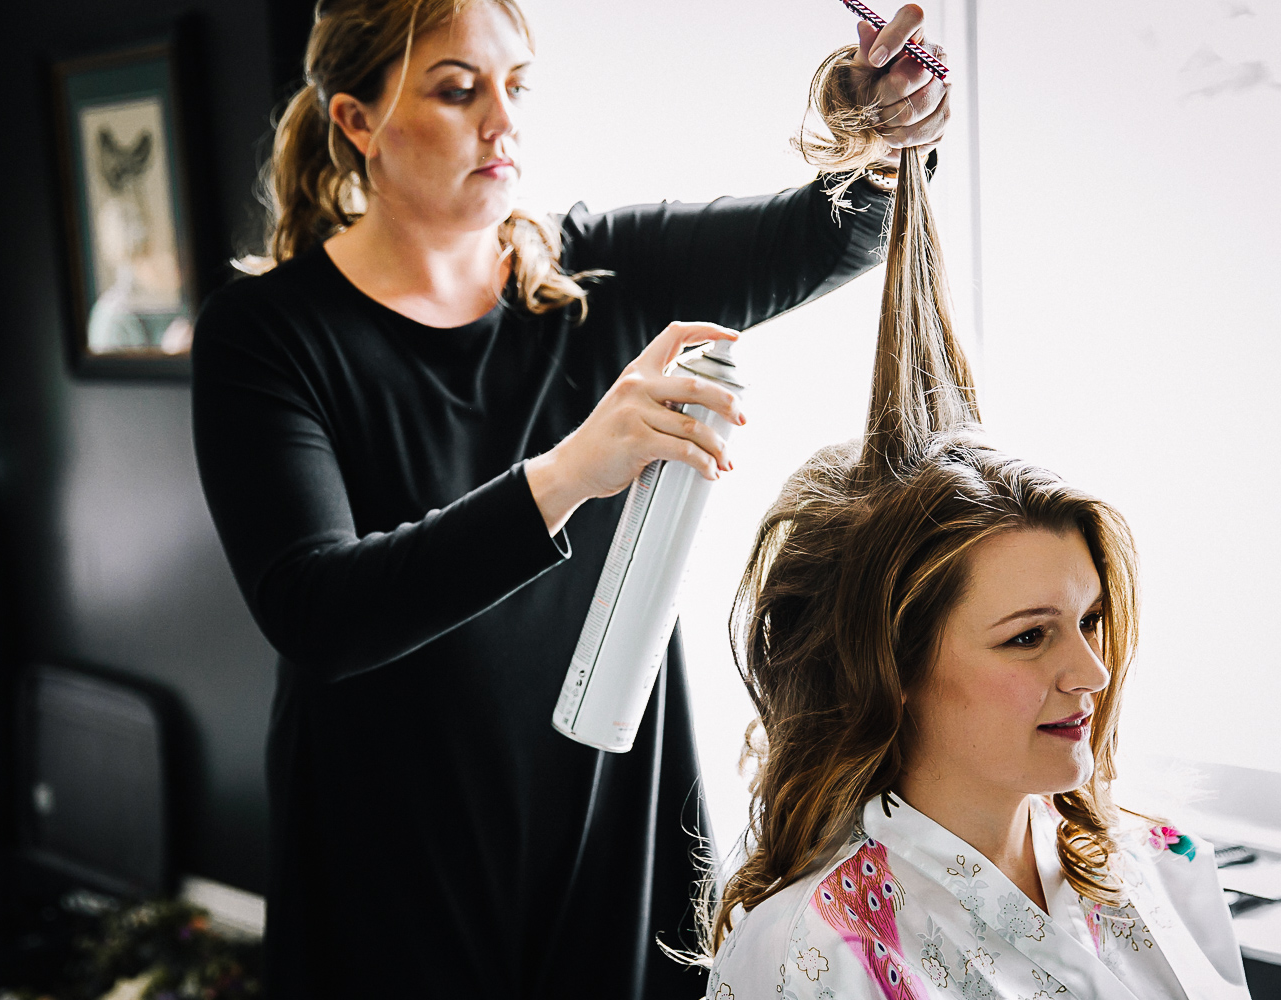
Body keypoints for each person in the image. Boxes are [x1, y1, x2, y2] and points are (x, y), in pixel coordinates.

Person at [189, 0, 949, 994]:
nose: (501, 123)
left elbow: (835, 234)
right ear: (355, 123)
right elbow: (317, 611)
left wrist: (882, 129)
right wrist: (569, 472)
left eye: (516, 86)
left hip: (611, 827)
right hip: (392, 852)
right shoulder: (268, 334)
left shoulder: (603, 274)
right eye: (458, 91)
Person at [705, 93, 1250, 999]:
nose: (1091, 672)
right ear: (895, 663)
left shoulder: (1157, 863)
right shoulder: (816, 953)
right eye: (1029, 636)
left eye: (1089, 620)